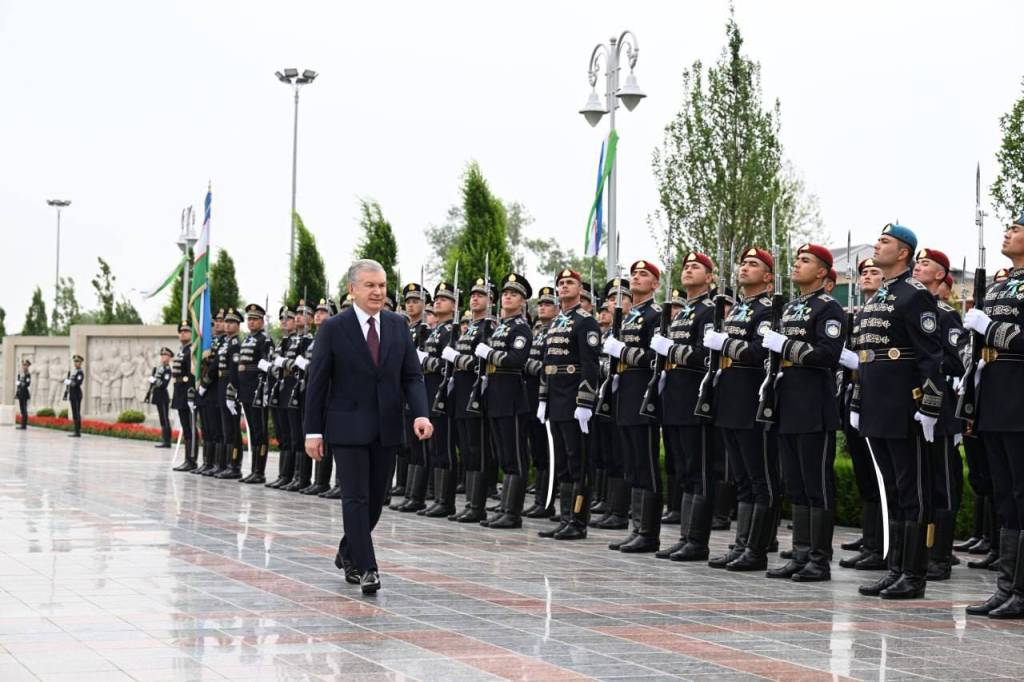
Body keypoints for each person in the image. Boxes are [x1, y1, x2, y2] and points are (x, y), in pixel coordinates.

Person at [304, 258, 432, 595]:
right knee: (356, 498)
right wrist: (312, 431)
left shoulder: (397, 325)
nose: (377, 292)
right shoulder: (333, 328)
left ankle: (348, 550)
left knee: (377, 499)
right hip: (347, 427)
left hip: (387, 426)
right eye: (370, 285)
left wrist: (421, 413)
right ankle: (367, 567)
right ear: (352, 290)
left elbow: (412, 375)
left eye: (381, 286)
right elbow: (317, 382)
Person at [850, 223, 944, 600]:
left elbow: (931, 356)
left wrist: (929, 405)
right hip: (877, 403)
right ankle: (895, 569)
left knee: (913, 493)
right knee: (891, 491)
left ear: (903, 252)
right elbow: (865, 354)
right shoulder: (878, 297)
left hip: (905, 405)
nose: (878, 245)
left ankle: (914, 574)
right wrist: (858, 399)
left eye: (885, 241)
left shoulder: (914, 295)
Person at [763, 244, 845, 582]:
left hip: (814, 404)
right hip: (789, 401)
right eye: (797, 260)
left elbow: (827, 354)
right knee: (795, 484)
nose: (797, 265)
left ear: (823, 271)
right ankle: (799, 554)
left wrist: (784, 346)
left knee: (816, 484)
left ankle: (818, 559)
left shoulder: (830, 308)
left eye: (806, 261)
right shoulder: (792, 308)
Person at [964, 212, 1024, 618]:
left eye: (1017, 228)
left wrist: (991, 328)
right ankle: (1006, 587)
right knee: (1005, 498)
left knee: (1022, 495)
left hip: (1020, 399)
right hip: (996, 398)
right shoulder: (1002, 286)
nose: (1008, 232)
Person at [705, 247, 778, 571]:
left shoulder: (766, 310)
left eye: (753, 264)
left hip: (752, 399)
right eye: (743, 263)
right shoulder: (736, 311)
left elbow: (760, 351)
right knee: (743, 479)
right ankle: (741, 543)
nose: (744, 268)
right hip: (730, 399)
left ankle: (756, 549)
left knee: (759, 478)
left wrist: (725, 345)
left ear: (768, 277)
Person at [650, 252, 719, 561]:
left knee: (698, 469)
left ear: (710, 277)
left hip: (695, 398)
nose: (689, 270)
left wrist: (672, 350)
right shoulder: (681, 313)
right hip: (675, 398)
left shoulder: (709, 311)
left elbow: (706, 357)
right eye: (686, 266)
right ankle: (685, 537)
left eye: (696, 267)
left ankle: (697, 540)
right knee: (683, 471)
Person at [912, 248, 966, 581]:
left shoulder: (945, 315)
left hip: (940, 408)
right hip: (913, 407)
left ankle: (941, 556)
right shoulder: (908, 310)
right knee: (920, 483)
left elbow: (959, 359)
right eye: (917, 262)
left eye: (926, 264)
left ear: (940, 276)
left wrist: (928, 365)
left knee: (943, 483)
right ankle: (918, 550)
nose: (919, 267)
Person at [604, 260, 664, 553]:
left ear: (655, 284)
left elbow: (656, 358)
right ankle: (637, 527)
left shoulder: (656, 315)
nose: (636, 278)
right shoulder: (627, 317)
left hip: (644, 394)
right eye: (634, 274)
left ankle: (649, 533)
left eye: (644, 275)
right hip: (625, 392)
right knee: (632, 464)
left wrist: (623, 352)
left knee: (645, 463)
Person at [537, 268, 601, 541]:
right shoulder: (555, 322)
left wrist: (585, 401)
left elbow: (590, 364)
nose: (563, 287)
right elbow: (546, 363)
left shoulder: (585, 322)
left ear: (580, 289)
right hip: (556, 397)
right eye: (560, 283)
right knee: (562, 462)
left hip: (574, 397)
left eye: (569, 283)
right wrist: (543, 398)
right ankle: (565, 519)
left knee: (578, 462)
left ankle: (578, 520)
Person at [838, 258, 887, 571]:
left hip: (879, 402)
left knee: (882, 479)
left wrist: (860, 364)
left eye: (874, 272)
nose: (867, 276)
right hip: (855, 399)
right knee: (866, 479)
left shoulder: (887, 312)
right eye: (863, 273)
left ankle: (881, 545)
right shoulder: (859, 315)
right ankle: (870, 541)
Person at [475, 273, 533, 529]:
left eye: (514, 294)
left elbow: (516, 359)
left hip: (511, 397)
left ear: (522, 302)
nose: (508, 297)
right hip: (496, 395)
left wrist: (490, 353)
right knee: (505, 455)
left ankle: (513, 512)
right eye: (506, 293)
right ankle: (505, 508)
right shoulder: (500, 327)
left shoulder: (521, 327)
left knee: (516, 455)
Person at [441, 277, 495, 523]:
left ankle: (478, 506)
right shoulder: (469, 329)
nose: (475, 298)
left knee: (477, 450)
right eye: (473, 294)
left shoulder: (489, 327)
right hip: (462, 394)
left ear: (490, 301)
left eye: (481, 295)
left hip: (476, 394)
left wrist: (456, 359)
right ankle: (470, 504)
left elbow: (478, 364)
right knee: (467, 452)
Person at [591, 279, 633, 530]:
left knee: (624, 456)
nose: (615, 302)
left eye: (621, 297)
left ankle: (621, 511)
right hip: (606, 397)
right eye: (610, 298)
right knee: (610, 457)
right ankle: (612, 507)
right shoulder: (609, 331)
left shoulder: (632, 325)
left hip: (624, 396)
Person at [418, 281, 459, 517]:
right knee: (435, 449)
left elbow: (448, 365)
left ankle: (446, 501)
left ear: (454, 306)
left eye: (444, 299)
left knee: (444, 448)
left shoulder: (451, 331)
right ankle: (439, 498)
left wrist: (425, 361)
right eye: (437, 299)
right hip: (430, 393)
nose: (438, 302)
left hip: (444, 394)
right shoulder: (435, 331)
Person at [391, 283, 432, 511]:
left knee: (420, 446)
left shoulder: (426, 331)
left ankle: (418, 496)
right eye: (408, 301)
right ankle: (409, 493)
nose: (411, 304)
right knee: (409, 446)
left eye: (416, 301)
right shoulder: (403, 328)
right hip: (402, 393)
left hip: (420, 391)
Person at [523, 286, 558, 519]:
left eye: (547, 304)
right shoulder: (539, 332)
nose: (542, 307)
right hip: (534, 396)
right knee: (538, 453)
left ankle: (547, 502)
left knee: (548, 453)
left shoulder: (555, 331)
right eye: (541, 304)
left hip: (548, 395)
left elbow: (547, 366)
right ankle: (539, 500)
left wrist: (529, 366)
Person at [238, 303, 275, 485]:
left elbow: (267, 364)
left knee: (260, 432)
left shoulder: (264, 340)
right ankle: (253, 469)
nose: (251, 322)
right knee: (252, 432)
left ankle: (259, 471)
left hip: (258, 390)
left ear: (261, 321)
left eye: (255, 319)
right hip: (246, 390)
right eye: (249, 319)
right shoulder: (246, 339)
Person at [281, 302, 314, 491]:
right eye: (298, 314)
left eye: (304, 314)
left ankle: (304, 477)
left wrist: (292, 363)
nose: (299, 317)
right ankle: (292, 475)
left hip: (302, 389)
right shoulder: (293, 340)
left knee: (302, 435)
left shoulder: (308, 340)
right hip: (291, 389)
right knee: (293, 436)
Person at [266, 307, 296, 488]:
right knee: (283, 435)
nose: (284, 322)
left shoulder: (296, 342)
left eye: (288, 318)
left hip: (291, 390)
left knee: (293, 436)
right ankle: (283, 474)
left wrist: (282, 363)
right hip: (279, 390)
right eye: (282, 319)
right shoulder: (281, 343)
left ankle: (292, 475)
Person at [196, 310, 226, 475]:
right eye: (217, 321)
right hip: (205, 390)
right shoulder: (209, 342)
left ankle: (218, 464)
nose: (219, 324)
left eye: (222, 321)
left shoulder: (224, 343)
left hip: (214, 388)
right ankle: (207, 462)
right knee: (206, 429)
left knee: (217, 430)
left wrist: (205, 383)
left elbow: (215, 365)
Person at [216, 308, 244, 479]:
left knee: (233, 430)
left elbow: (234, 371)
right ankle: (226, 464)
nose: (227, 325)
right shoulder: (226, 344)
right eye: (226, 322)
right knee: (226, 430)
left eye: (232, 322)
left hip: (230, 389)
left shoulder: (235, 345)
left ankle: (234, 465)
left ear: (238, 326)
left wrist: (231, 392)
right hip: (221, 386)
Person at [171, 323, 198, 471]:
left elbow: (193, 374)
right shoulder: (182, 350)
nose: (183, 333)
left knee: (191, 428)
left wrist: (191, 394)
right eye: (181, 331)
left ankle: (192, 460)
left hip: (188, 392)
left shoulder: (192, 350)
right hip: (179, 392)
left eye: (186, 331)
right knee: (186, 429)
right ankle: (188, 459)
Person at [147, 348, 174, 448]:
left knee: (165, 419)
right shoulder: (159, 368)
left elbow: (164, 384)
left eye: (165, 355)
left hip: (163, 396)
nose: (163, 357)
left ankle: (167, 441)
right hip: (157, 395)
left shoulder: (167, 370)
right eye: (162, 355)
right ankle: (164, 440)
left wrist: (154, 380)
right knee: (162, 419)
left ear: (169, 358)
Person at [66, 355, 84, 437]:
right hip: (72, 394)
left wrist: (69, 382)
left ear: (80, 363)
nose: (76, 363)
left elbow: (76, 383)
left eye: (78, 362)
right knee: (74, 413)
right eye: (75, 362)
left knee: (76, 413)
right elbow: (67, 383)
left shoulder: (80, 372)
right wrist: (66, 392)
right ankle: (76, 430)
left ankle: (77, 431)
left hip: (77, 394)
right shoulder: (72, 372)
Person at [15, 359, 31, 429]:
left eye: (25, 366)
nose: (24, 367)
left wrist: (21, 383)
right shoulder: (22, 374)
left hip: (24, 393)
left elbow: (27, 384)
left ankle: (24, 425)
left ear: (27, 366)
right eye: (23, 365)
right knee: (22, 409)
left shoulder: (28, 375)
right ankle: (22, 424)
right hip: (20, 393)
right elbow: (18, 383)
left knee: (24, 409)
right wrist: (18, 381)